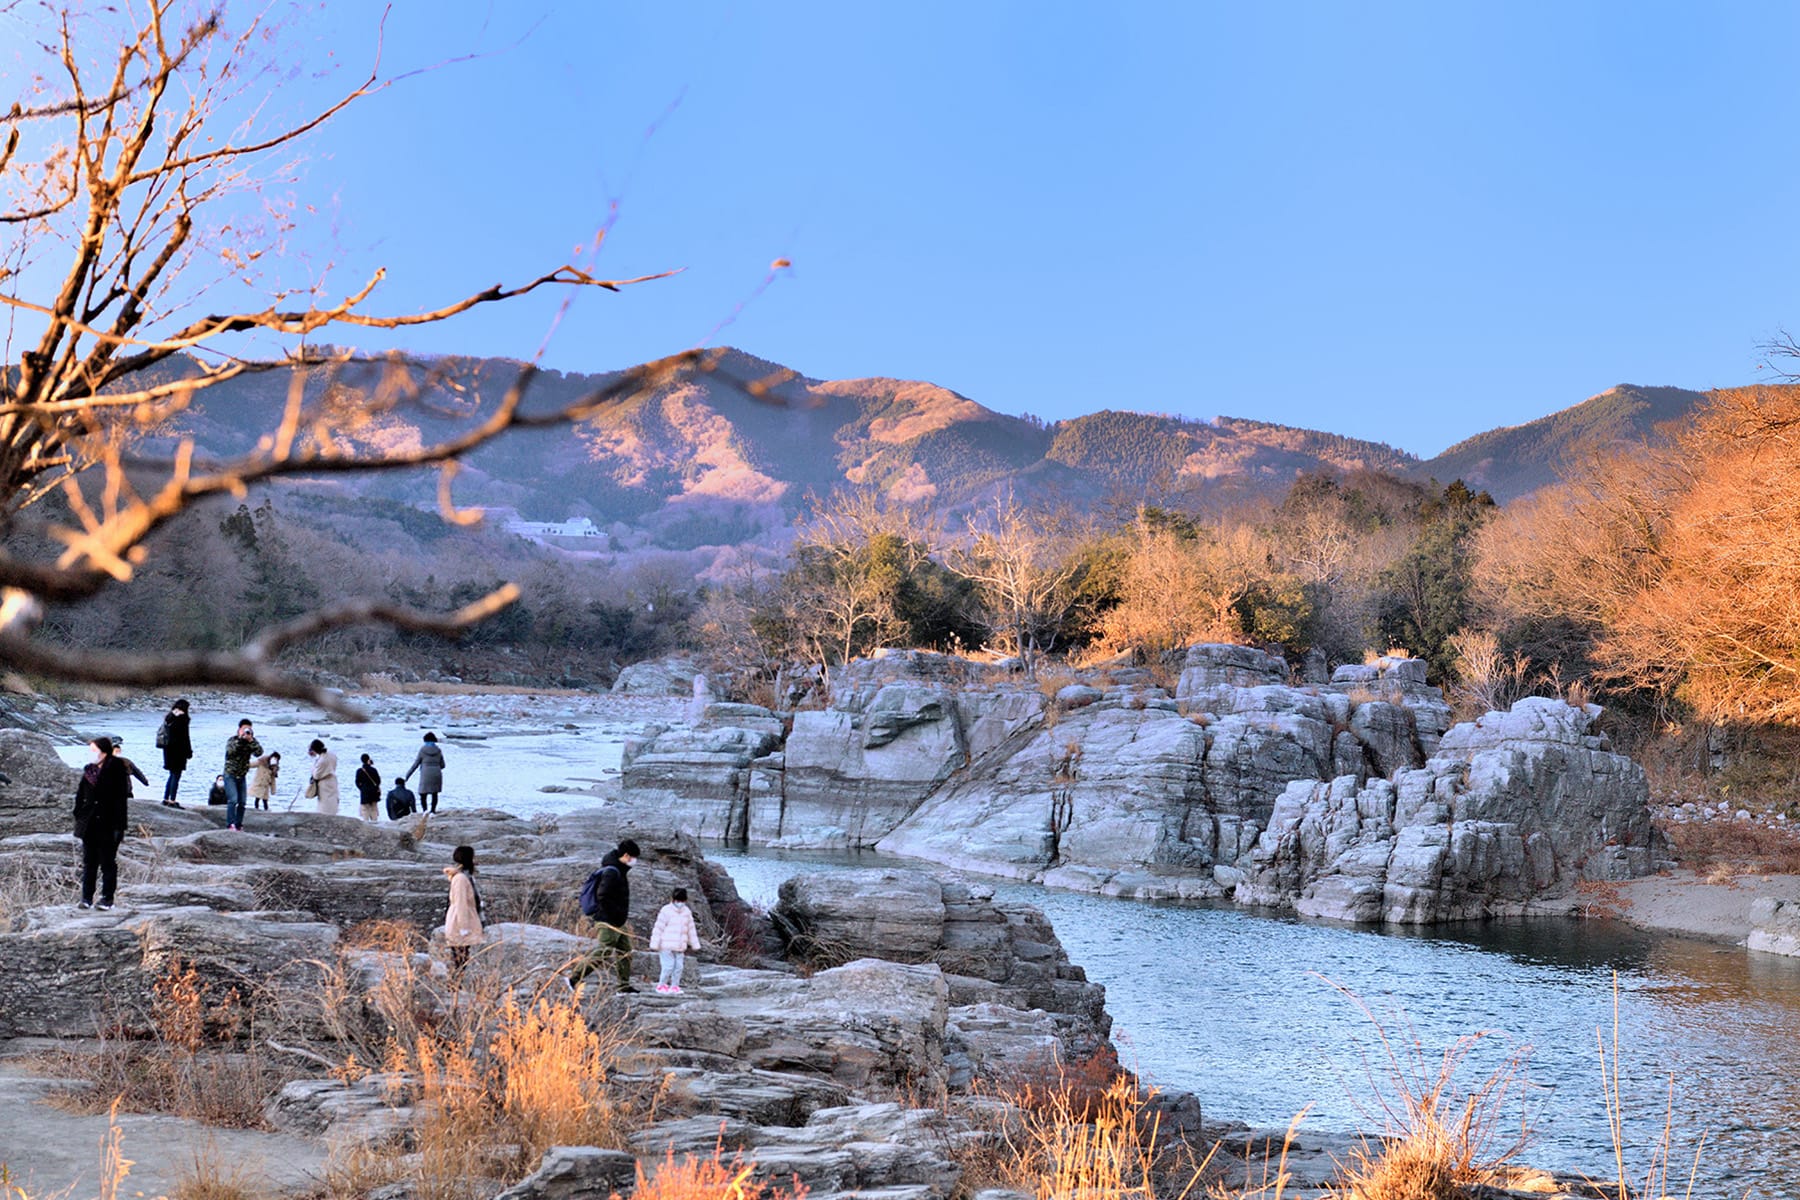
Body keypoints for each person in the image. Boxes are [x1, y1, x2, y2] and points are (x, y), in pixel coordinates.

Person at [569, 838, 640, 992]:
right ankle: (572, 979)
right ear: (627, 855)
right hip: (608, 920)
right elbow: (603, 896)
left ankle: (624, 986)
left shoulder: (619, 870)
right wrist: (612, 915)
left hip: (618, 920)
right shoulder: (611, 872)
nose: (635, 861)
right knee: (604, 951)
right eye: (634, 858)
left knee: (625, 951)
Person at [73, 736, 130, 909]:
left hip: (109, 822)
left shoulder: (117, 769)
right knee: (89, 862)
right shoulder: (89, 771)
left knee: (107, 862)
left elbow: (121, 799)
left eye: (94, 750)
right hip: (89, 823)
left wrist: (119, 826)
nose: (92, 754)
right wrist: (79, 813)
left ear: (104, 751)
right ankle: (86, 898)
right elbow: (80, 795)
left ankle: (107, 898)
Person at [649, 886, 701, 995]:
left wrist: (695, 944)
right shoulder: (666, 910)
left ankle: (675, 986)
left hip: (680, 946)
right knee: (668, 966)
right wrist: (655, 943)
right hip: (666, 945)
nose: (679, 903)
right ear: (673, 899)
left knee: (679, 967)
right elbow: (658, 928)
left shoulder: (687, 912)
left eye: (682, 901)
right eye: (677, 900)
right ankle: (661, 985)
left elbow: (691, 929)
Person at [442, 844, 484, 970]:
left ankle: (457, 987)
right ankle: (455, 988)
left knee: (462, 959)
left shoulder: (466, 877)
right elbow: (461, 904)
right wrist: (463, 927)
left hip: (465, 921)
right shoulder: (461, 878)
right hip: (460, 924)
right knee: (460, 961)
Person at [221, 719, 262, 831]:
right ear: (239, 730)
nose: (246, 732)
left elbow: (259, 752)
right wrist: (240, 739)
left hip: (242, 775)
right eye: (244, 729)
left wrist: (251, 740)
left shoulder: (251, 742)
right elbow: (231, 751)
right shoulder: (232, 740)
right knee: (233, 800)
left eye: (249, 729)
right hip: (230, 774)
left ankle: (238, 824)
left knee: (242, 802)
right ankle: (230, 824)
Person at [157, 699, 192, 806]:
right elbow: (185, 737)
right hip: (179, 750)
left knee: (172, 774)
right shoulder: (183, 719)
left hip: (168, 750)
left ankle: (166, 798)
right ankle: (172, 800)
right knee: (176, 775)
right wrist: (189, 751)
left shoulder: (169, 717)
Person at [405, 732, 446, 814]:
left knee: (423, 793)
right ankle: (433, 811)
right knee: (435, 793)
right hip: (437, 773)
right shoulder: (438, 750)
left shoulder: (423, 750)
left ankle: (425, 810)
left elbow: (416, 764)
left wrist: (407, 776)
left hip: (425, 773)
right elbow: (443, 765)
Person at [306, 739, 339, 817]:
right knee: (333, 801)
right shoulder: (332, 755)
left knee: (324, 805)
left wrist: (313, 768)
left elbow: (316, 775)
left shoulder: (322, 760)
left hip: (324, 783)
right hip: (332, 780)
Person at [354, 754, 382, 821]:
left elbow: (357, 782)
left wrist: (362, 788)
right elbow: (378, 781)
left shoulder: (359, 771)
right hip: (374, 793)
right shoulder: (374, 770)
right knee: (374, 810)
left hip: (365, 793)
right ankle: (375, 825)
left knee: (365, 811)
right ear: (368, 760)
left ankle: (366, 826)